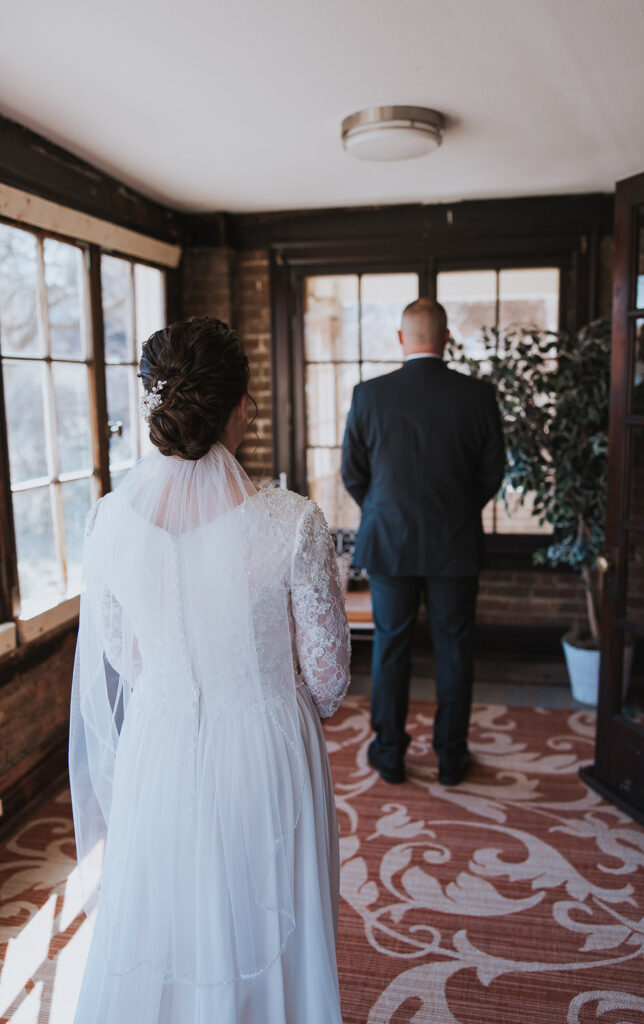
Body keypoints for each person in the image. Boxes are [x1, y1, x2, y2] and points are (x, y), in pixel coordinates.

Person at [69, 317, 350, 1023]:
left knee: (170, 910)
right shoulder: (292, 521)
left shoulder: (106, 519)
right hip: (266, 743)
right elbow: (328, 678)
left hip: (157, 739)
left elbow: (121, 655)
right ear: (241, 409)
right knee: (265, 916)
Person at [341, 298, 504, 786]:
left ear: (400, 339)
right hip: (454, 543)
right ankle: (452, 758)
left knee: (391, 647)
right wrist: (455, 511)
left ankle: (389, 754)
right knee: (455, 650)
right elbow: (493, 472)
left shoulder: (369, 395)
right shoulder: (477, 395)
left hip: (390, 542)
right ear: (447, 338)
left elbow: (353, 473)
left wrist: (384, 510)